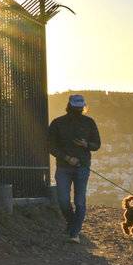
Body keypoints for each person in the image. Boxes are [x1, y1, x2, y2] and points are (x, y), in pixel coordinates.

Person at [47, 94, 101, 243]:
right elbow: (50, 146)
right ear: (70, 106)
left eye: (79, 106)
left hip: (82, 167)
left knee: (79, 202)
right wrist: (67, 158)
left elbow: (97, 144)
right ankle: (73, 225)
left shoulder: (89, 122)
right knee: (63, 200)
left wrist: (87, 145)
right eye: (76, 106)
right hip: (64, 167)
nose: (78, 109)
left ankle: (74, 233)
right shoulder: (58, 123)